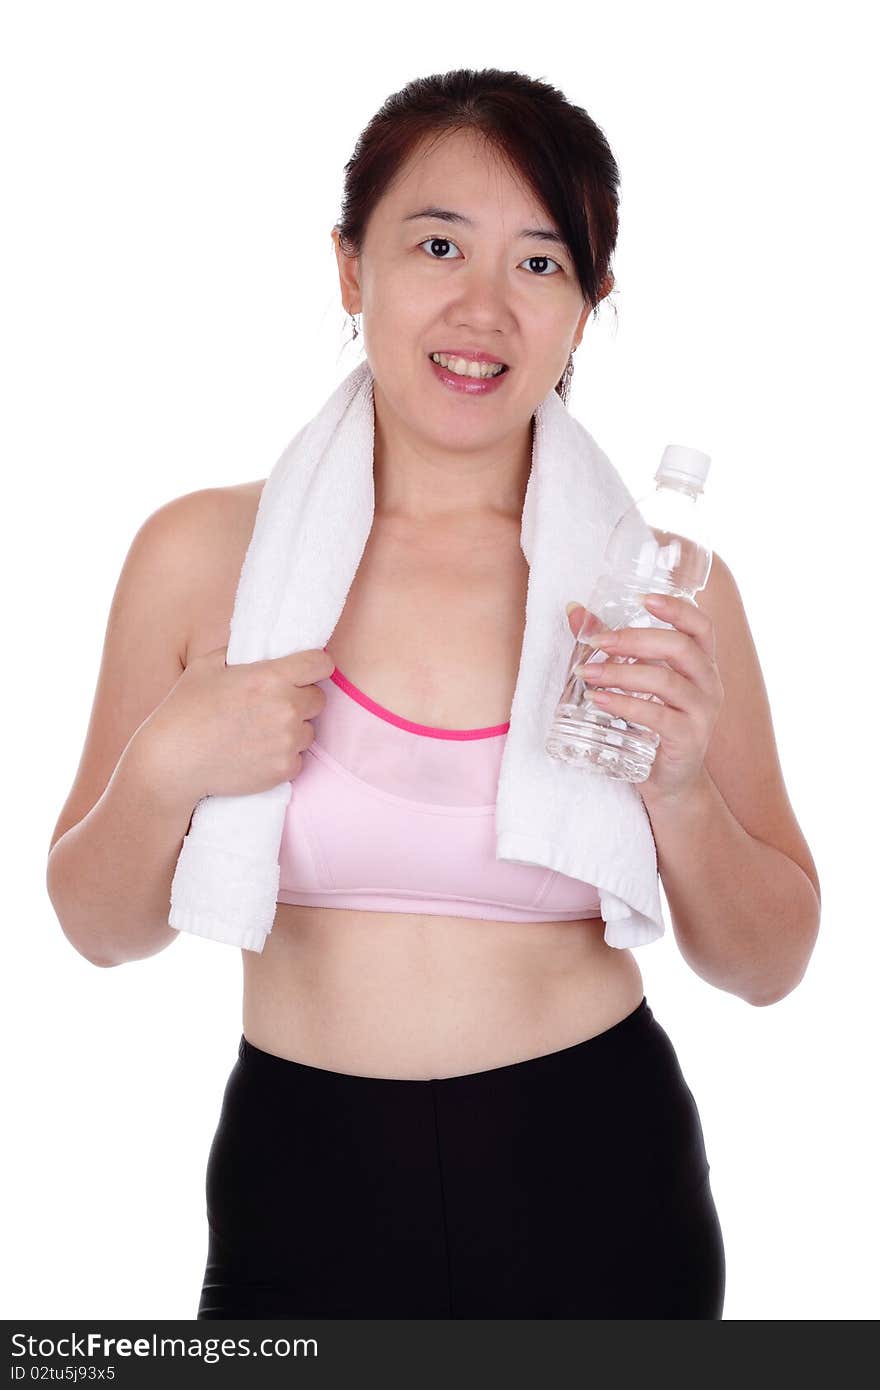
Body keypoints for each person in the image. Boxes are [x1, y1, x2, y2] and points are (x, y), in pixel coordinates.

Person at [46, 68, 821, 1320]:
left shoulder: (653, 588)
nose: (483, 307)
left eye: (540, 263)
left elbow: (771, 962)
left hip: (598, 1179)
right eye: (438, 243)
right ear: (349, 269)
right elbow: (98, 930)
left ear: (586, 309)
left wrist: (677, 790)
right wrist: (163, 773)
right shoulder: (201, 559)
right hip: (298, 1187)